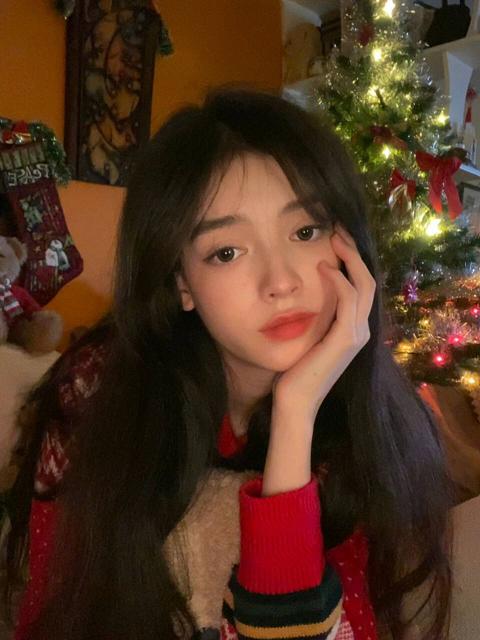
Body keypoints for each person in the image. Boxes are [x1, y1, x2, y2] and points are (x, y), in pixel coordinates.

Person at [3, 86, 454, 640]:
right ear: (182, 283)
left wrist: (295, 415)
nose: (280, 281)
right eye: (226, 252)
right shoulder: (95, 395)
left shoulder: (382, 429)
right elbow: (52, 614)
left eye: (305, 231)